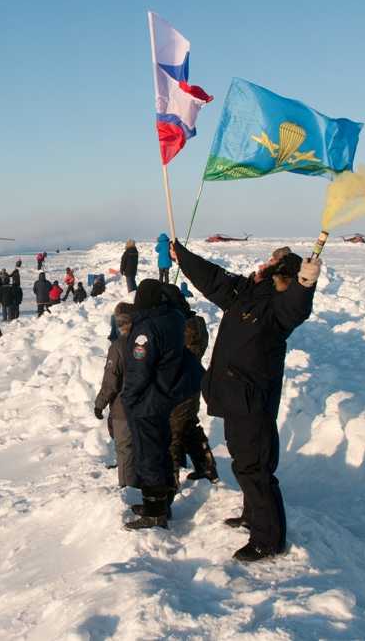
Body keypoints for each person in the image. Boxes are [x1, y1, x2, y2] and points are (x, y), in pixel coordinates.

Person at [172, 239, 320, 561]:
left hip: (252, 400)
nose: (263, 263)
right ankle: (252, 515)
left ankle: (268, 540)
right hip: (233, 396)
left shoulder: (277, 306)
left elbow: (296, 308)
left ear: (280, 274)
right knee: (244, 462)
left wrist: (306, 283)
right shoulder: (245, 292)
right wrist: (182, 256)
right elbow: (212, 279)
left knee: (255, 467)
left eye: (271, 261)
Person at [119, 279, 198, 530]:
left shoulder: (147, 329)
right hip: (164, 396)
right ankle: (161, 504)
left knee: (148, 455)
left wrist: (129, 398)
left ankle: (154, 512)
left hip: (148, 401)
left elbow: (138, 370)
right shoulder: (173, 318)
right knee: (160, 450)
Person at [169, 315, 218, 483]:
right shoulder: (197, 322)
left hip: (180, 384)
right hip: (193, 381)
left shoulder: (183, 325)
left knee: (174, 431)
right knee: (189, 426)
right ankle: (207, 466)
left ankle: (171, 478)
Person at [95, 302, 137, 489]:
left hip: (124, 407)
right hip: (146, 405)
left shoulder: (118, 346)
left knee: (124, 449)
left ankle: (128, 491)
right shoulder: (145, 340)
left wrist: (100, 403)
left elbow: (111, 380)